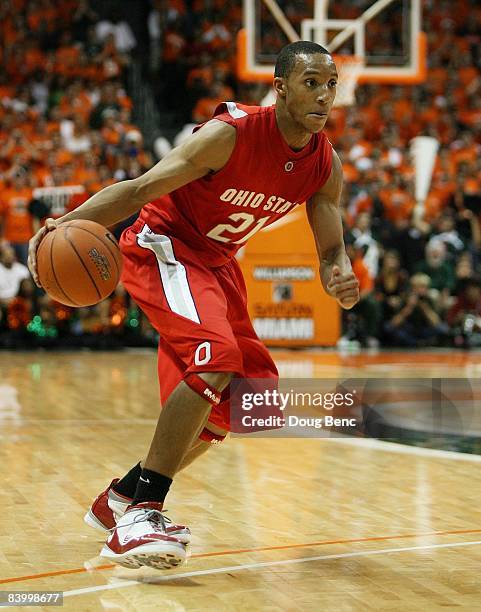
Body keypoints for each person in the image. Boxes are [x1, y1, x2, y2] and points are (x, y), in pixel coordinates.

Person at [28, 41, 360, 571]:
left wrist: (339, 274)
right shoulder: (230, 135)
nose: (324, 96)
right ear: (279, 88)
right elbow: (140, 189)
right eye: (310, 83)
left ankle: (120, 498)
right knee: (217, 360)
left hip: (216, 263)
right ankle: (143, 513)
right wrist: (67, 223)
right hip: (164, 244)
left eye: (330, 85)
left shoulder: (323, 163)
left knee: (248, 402)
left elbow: (331, 249)